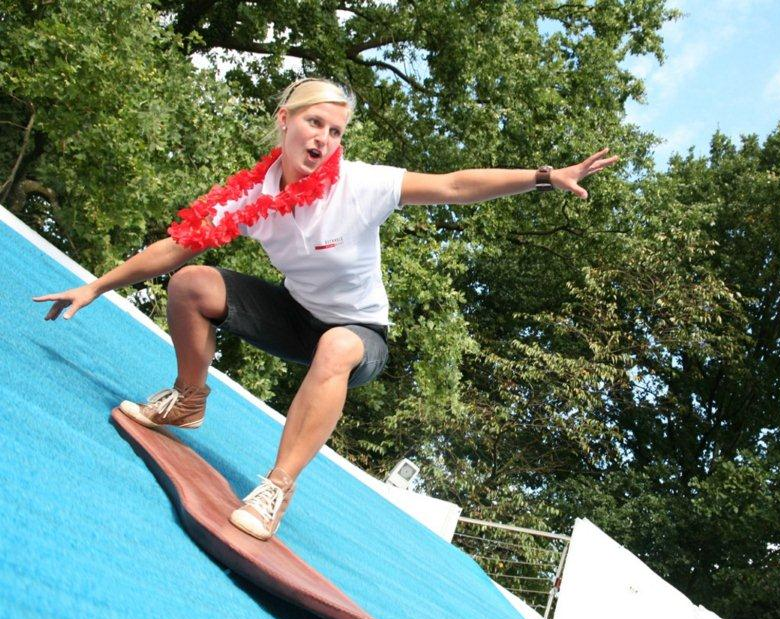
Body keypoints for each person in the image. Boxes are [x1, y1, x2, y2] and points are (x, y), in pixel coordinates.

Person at [34, 78, 618, 541]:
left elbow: (454, 186)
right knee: (191, 283)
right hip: (294, 314)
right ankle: (187, 400)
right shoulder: (251, 195)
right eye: (315, 123)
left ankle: (276, 488)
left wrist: (546, 177)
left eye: (336, 131)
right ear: (285, 121)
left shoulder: (361, 185)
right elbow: (173, 247)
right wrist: (96, 286)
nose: (324, 139)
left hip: (359, 336)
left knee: (338, 344)